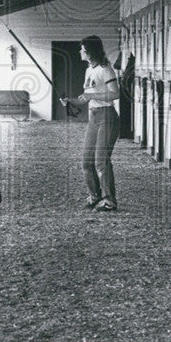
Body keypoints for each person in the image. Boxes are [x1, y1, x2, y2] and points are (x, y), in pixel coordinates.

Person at [60, 35, 120, 212]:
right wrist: (70, 101)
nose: (80, 52)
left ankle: (110, 201)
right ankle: (94, 196)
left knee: (101, 161)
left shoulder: (105, 69)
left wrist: (92, 95)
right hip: (93, 117)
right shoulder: (89, 71)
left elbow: (115, 94)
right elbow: (86, 98)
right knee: (86, 161)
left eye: (82, 49)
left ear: (90, 52)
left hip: (107, 117)